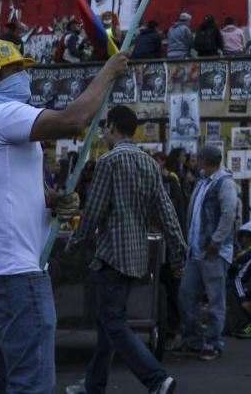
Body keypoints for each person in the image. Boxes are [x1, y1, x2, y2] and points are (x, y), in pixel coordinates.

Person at [0, 39, 125, 394]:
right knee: (31, 381)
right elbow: (73, 121)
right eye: (15, 69)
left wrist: (51, 200)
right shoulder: (1, 113)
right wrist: (108, 72)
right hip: (16, 271)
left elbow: (1, 187)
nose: (24, 75)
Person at [69, 105, 186, 394]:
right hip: (137, 256)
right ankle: (94, 385)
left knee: (114, 323)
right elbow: (166, 212)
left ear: (111, 126)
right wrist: (178, 251)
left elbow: (93, 212)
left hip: (111, 255)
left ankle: (157, 379)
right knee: (109, 323)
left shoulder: (109, 161)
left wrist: (74, 242)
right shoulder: (149, 163)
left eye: (105, 125)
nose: (103, 130)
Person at [177, 145, 238, 360]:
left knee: (215, 300)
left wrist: (216, 241)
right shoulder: (203, 181)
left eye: (198, 158)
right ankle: (193, 340)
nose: (196, 161)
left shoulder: (225, 183)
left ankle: (213, 343)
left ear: (205, 160)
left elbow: (229, 213)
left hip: (213, 252)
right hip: (195, 250)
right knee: (186, 295)